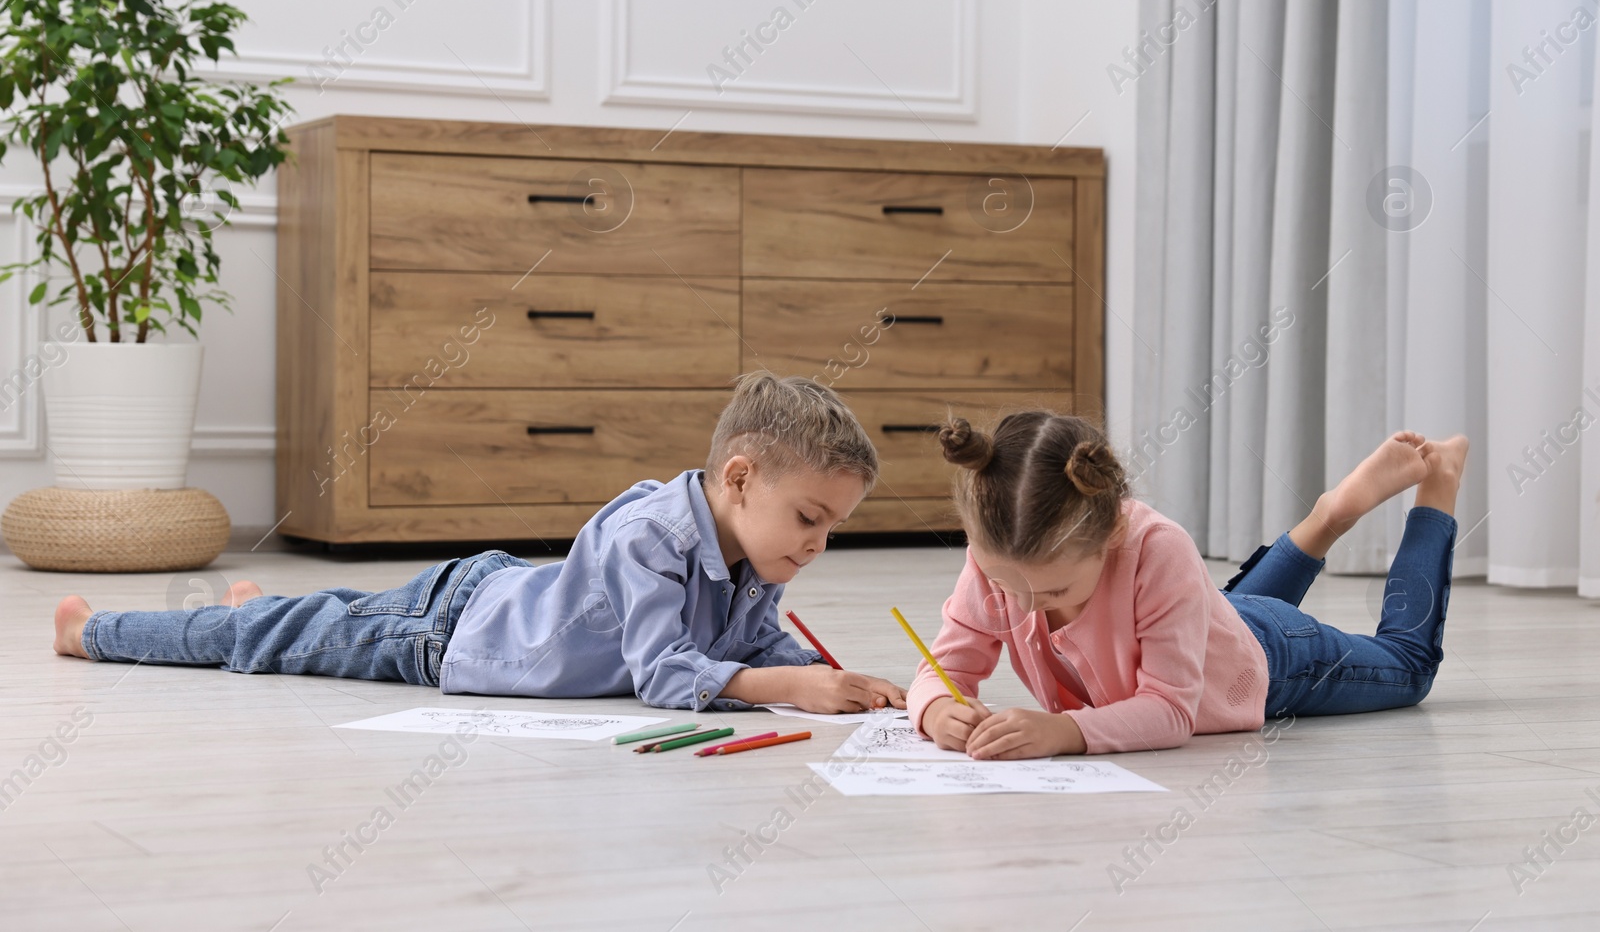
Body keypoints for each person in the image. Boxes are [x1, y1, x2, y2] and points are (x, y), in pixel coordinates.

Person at [52, 372, 907, 714]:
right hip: (455, 632)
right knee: (273, 642)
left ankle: (268, 605)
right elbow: (665, 674)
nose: (820, 543)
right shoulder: (653, 536)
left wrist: (832, 678)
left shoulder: (758, 549)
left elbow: (754, 643)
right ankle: (93, 632)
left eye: (835, 525)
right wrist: (794, 687)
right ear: (741, 478)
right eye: (810, 518)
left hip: (493, 594)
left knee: (319, 615)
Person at [910, 411, 1468, 758]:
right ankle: (1328, 517)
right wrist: (936, 709)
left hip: (1269, 659)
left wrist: (1063, 732)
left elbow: (1172, 712)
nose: (1021, 606)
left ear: (1115, 532)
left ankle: (1439, 480)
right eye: (1007, 587)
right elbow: (942, 670)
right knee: (1230, 606)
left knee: (1409, 666)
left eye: (1054, 593)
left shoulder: (1158, 547)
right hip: (1202, 623)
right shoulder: (1002, 555)